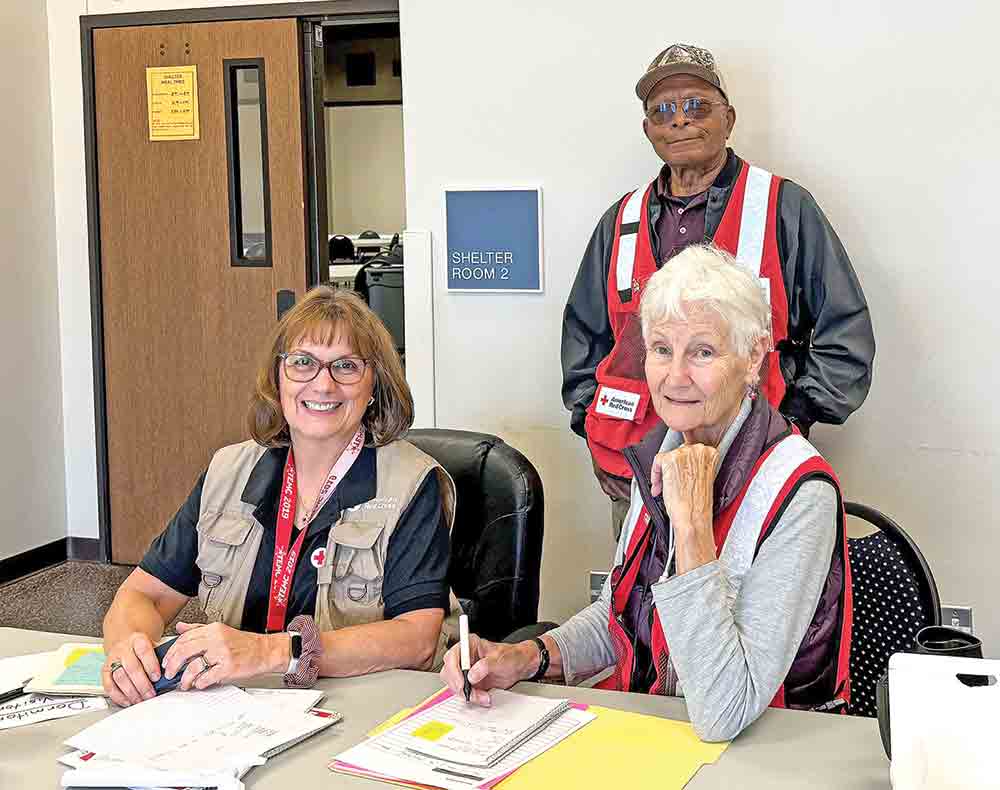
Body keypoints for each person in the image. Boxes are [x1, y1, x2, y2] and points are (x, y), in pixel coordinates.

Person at [445, 246, 852, 742]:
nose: (675, 377)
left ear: (753, 359)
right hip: (656, 731)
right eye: (661, 349)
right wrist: (529, 657)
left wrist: (692, 528)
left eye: (702, 352)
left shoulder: (802, 492)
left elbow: (724, 709)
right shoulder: (664, 449)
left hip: (761, 752)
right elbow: (623, 615)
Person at [561, 43, 875, 539]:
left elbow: (846, 338)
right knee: (638, 604)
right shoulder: (618, 222)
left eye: (696, 106)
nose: (679, 121)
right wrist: (595, 428)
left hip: (752, 470)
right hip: (636, 474)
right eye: (663, 110)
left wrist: (788, 419)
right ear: (648, 130)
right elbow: (584, 340)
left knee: (748, 607)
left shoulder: (784, 208)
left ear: (729, 119)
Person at [102, 287, 456, 707]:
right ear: (278, 378)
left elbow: (416, 637)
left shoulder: (411, 483)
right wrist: (131, 650)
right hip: (233, 709)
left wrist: (271, 652)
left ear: (374, 385)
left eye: (345, 366)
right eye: (303, 363)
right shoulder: (228, 471)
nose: (322, 384)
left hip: (359, 707)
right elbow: (145, 594)